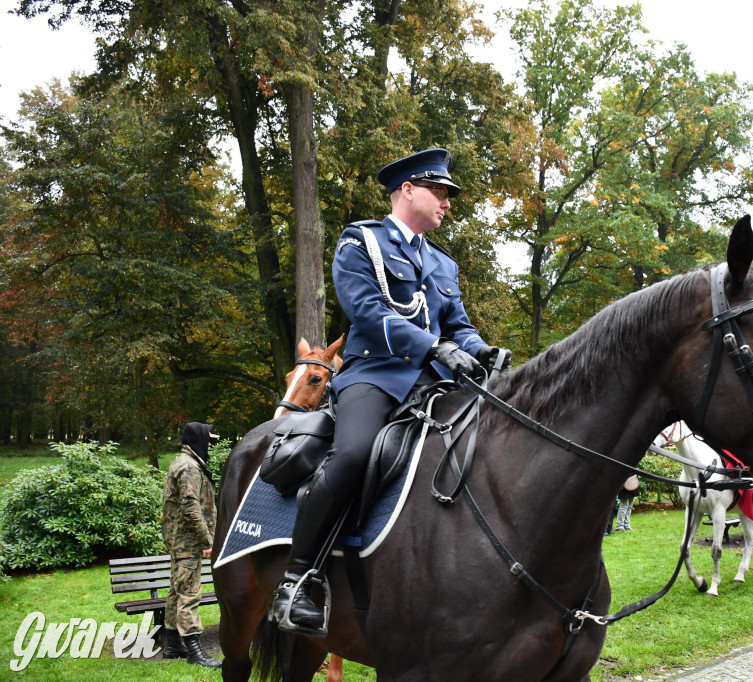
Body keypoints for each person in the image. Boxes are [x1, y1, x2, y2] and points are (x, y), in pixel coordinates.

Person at [270, 148, 511, 633]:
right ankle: (297, 581)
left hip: (435, 382)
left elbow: (458, 325)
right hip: (375, 374)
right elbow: (366, 311)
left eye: (447, 195)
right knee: (355, 452)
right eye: (439, 192)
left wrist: (480, 350)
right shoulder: (361, 243)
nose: (447, 203)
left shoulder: (443, 264)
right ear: (407, 190)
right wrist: (434, 348)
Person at [161, 422, 221, 667]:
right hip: (187, 541)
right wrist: (207, 540)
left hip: (181, 540)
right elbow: (190, 507)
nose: (209, 444)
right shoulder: (189, 467)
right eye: (207, 439)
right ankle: (195, 652)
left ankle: (173, 645)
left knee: (177, 590)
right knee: (189, 593)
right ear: (197, 439)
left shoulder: (187, 462)